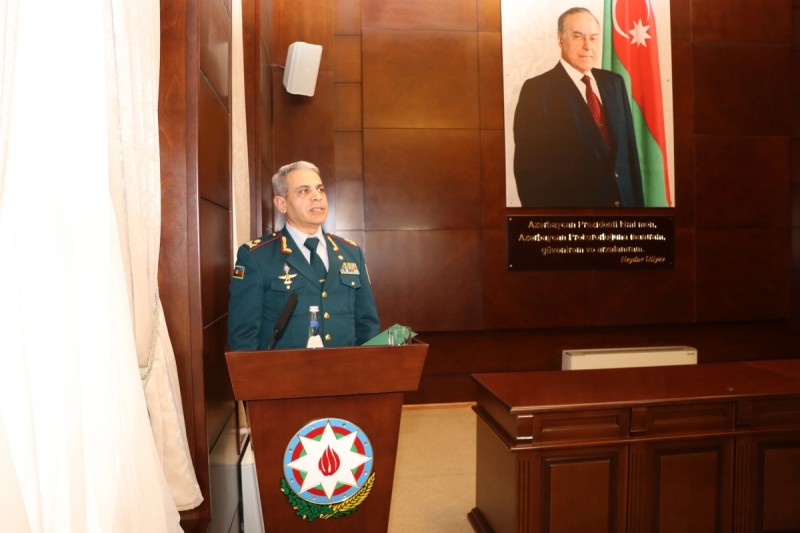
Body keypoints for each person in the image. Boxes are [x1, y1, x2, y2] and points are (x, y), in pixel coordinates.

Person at [227, 161, 380, 350]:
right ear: (281, 204)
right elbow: (243, 338)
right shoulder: (256, 257)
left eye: (320, 189)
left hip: (346, 367)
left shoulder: (351, 252)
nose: (316, 196)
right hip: (284, 369)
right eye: (304, 191)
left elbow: (368, 325)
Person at [513, 7, 644, 208]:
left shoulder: (614, 83)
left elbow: (629, 156)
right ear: (560, 39)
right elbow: (528, 174)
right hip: (574, 218)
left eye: (593, 38)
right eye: (578, 36)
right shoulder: (538, 91)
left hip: (624, 213)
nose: (587, 46)